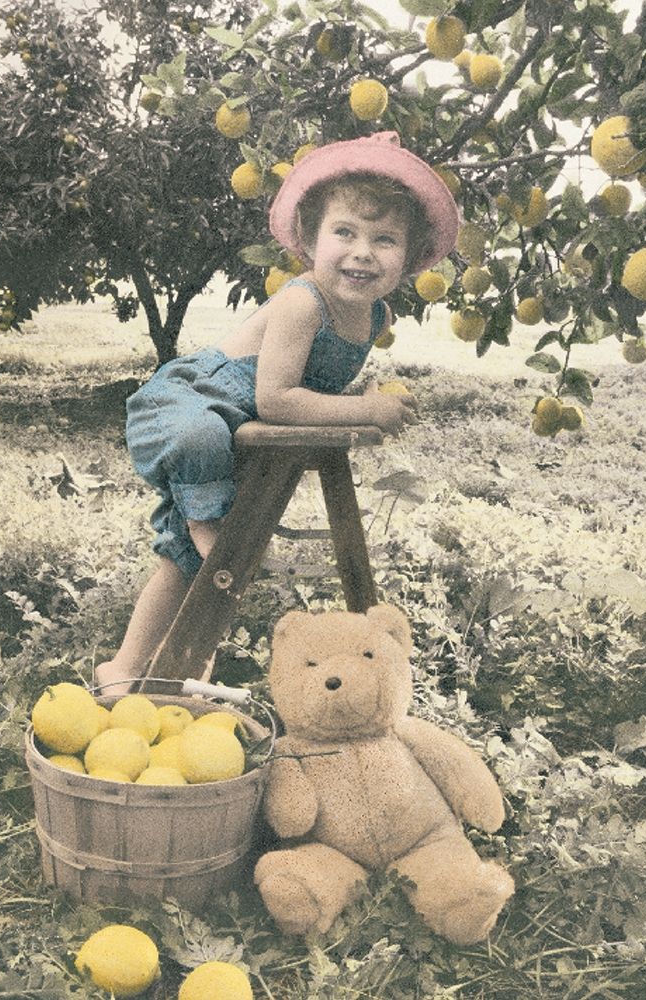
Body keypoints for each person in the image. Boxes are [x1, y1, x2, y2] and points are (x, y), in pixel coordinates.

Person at [94, 131, 460, 692]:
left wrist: (368, 407)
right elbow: (278, 398)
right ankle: (202, 518)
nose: (363, 251)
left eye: (385, 240)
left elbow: (292, 405)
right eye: (345, 232)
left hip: (243, 430)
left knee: (180, 563)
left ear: (408, 260)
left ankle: (142, 666)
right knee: (199, 448)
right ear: (311, 241)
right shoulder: (300, 301)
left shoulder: (375, 316)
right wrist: (361, 407)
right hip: (197, 401)